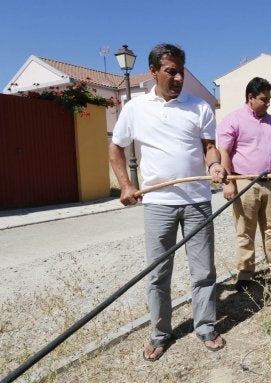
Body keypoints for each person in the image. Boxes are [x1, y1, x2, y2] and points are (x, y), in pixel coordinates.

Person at [109, 43, 227, 361]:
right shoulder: (134, 109)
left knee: (203, 271)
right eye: (170, 71)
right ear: (154, 72)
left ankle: (205, 327)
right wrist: (125, 184)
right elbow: (116, 148)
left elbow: (209, 148)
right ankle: (160, 334)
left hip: (197, 200)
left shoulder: (199, 106)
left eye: (181, 72)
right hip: (158, 203)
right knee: (158, 274)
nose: (177, 78)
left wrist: (214, 165)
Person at [216, 77, 271, 292]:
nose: (268, 103)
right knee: (245, 231)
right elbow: (224, 153)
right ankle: (245, 274)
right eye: (263, 99)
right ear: (250, 97)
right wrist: (229, 182)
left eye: (269, 99)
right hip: (245, 183)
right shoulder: (234, 120)